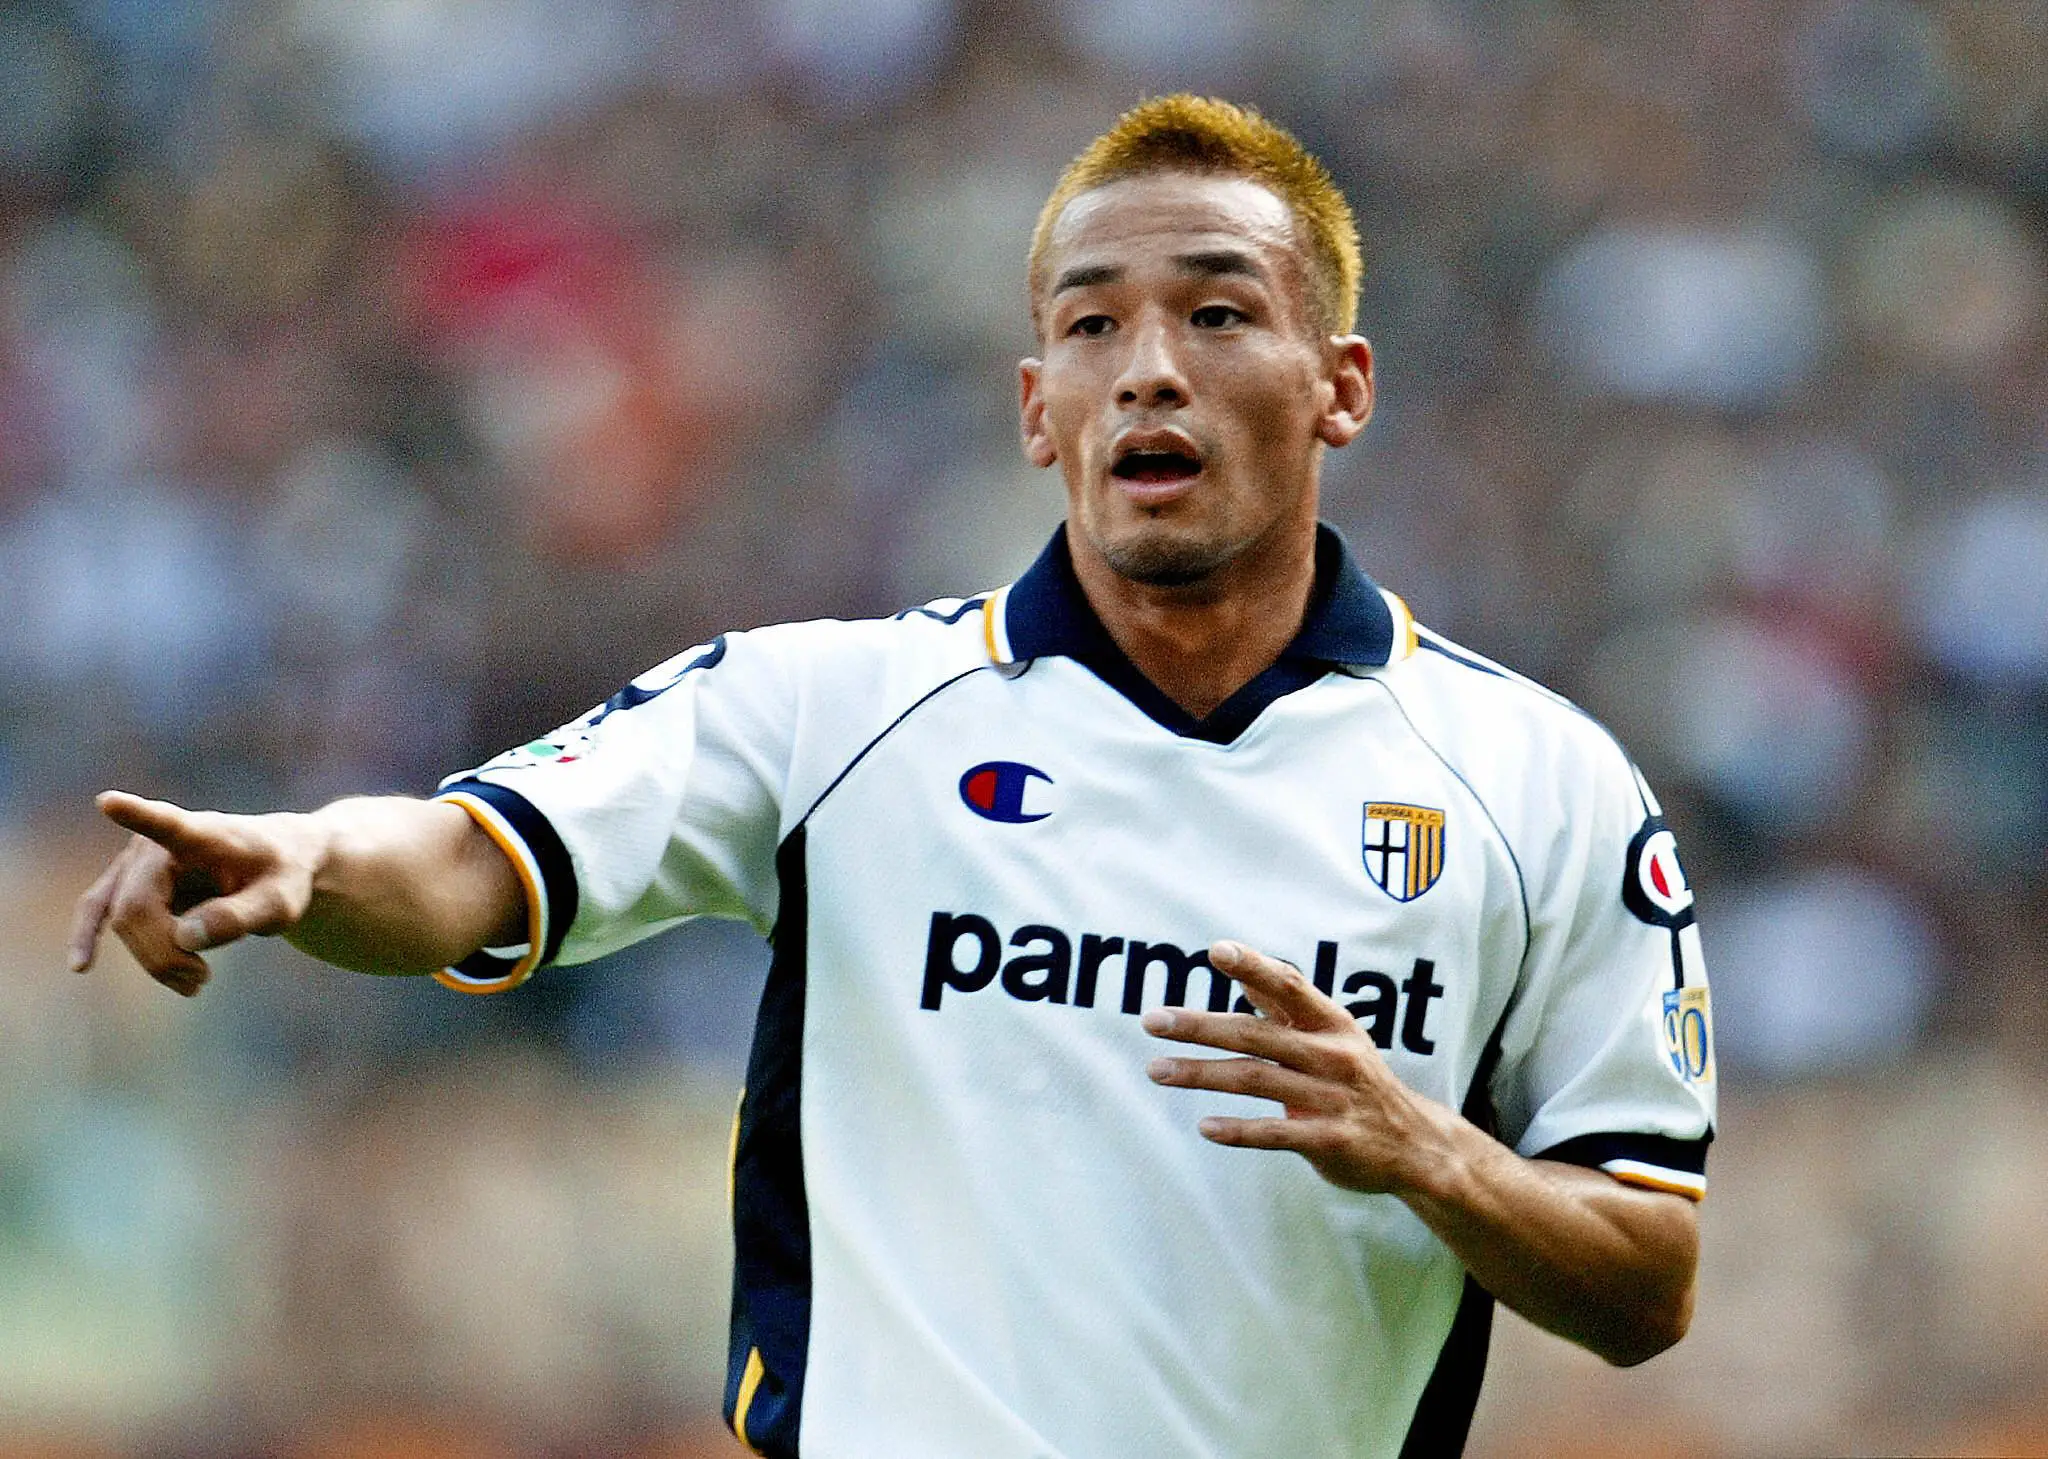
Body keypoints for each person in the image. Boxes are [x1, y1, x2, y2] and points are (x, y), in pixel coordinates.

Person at [69, 96, 1715, 1458]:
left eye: (1218, 313)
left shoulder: (1537, 783)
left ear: (1338, 385)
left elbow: (1649, 1272)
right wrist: (299, 861)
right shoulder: (833, 711)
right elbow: (474, 857)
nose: (1149, 367)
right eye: (1092, 327)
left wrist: (1433, 1151)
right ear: (1036, 406)